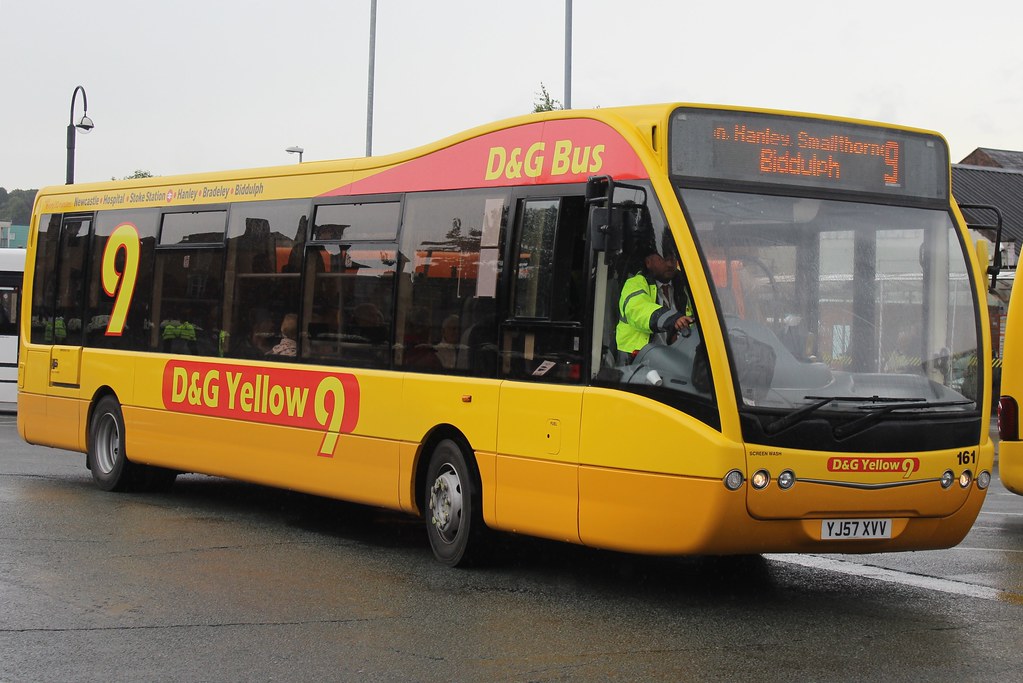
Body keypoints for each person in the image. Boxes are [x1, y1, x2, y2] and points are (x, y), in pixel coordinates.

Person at [615, 246, 694, 364]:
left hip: (676, 358)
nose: (670, 264)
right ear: (648, 262)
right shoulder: (635, 283)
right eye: (664, 259)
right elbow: (639, 310)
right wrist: (673, 319)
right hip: (638, 361)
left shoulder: (685, 285)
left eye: (673, 258)